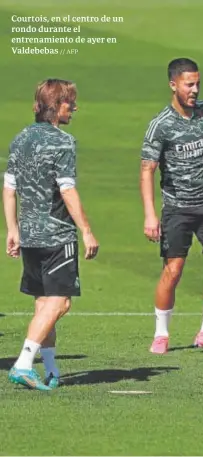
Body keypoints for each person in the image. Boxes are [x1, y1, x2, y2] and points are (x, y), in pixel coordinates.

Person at [3, 79, 99, 391]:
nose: (75, 108)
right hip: (56, 235)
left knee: (45, 303)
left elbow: (8, 188)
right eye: (70, 103)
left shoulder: (20, 139)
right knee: (59, 304)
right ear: (56, 108)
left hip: (29, 235)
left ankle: (52, 368)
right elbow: (67, 189)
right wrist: (86, 231)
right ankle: (23, 363)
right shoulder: (63, 142)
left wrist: (12, 230)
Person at [140, 58, 203, 355]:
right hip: (178, 208)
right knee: (173, 271)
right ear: (173, 85)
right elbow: (148, 169)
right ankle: (161, 333)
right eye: (188, 84)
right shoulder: (161, 125)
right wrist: (150, 215)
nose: (195, 90)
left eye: (197, 84)